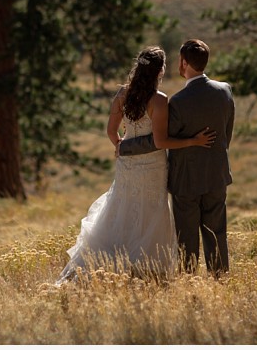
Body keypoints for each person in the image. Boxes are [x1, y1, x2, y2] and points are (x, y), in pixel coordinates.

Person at [57, 46, 215, 283]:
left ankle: (108, 264)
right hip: (152, 166)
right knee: (149, 211)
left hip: (127, 165)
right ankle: (144, 269)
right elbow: (160, 142)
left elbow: (111, 131)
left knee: (122, 208)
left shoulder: (122, 93)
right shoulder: (159, 100)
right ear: (160, 71)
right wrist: (193, 140)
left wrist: (121, 145)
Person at [118, 39, 235, 278]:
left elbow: (159, 140)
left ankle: (189, 279)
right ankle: (220, 280)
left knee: (187, 236)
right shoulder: (225, 90)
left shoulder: (178, 102)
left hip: (186, 179)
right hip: (216, 174)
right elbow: (227, 134)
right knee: (216, 232)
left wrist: (125, 147)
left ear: (183, 63)